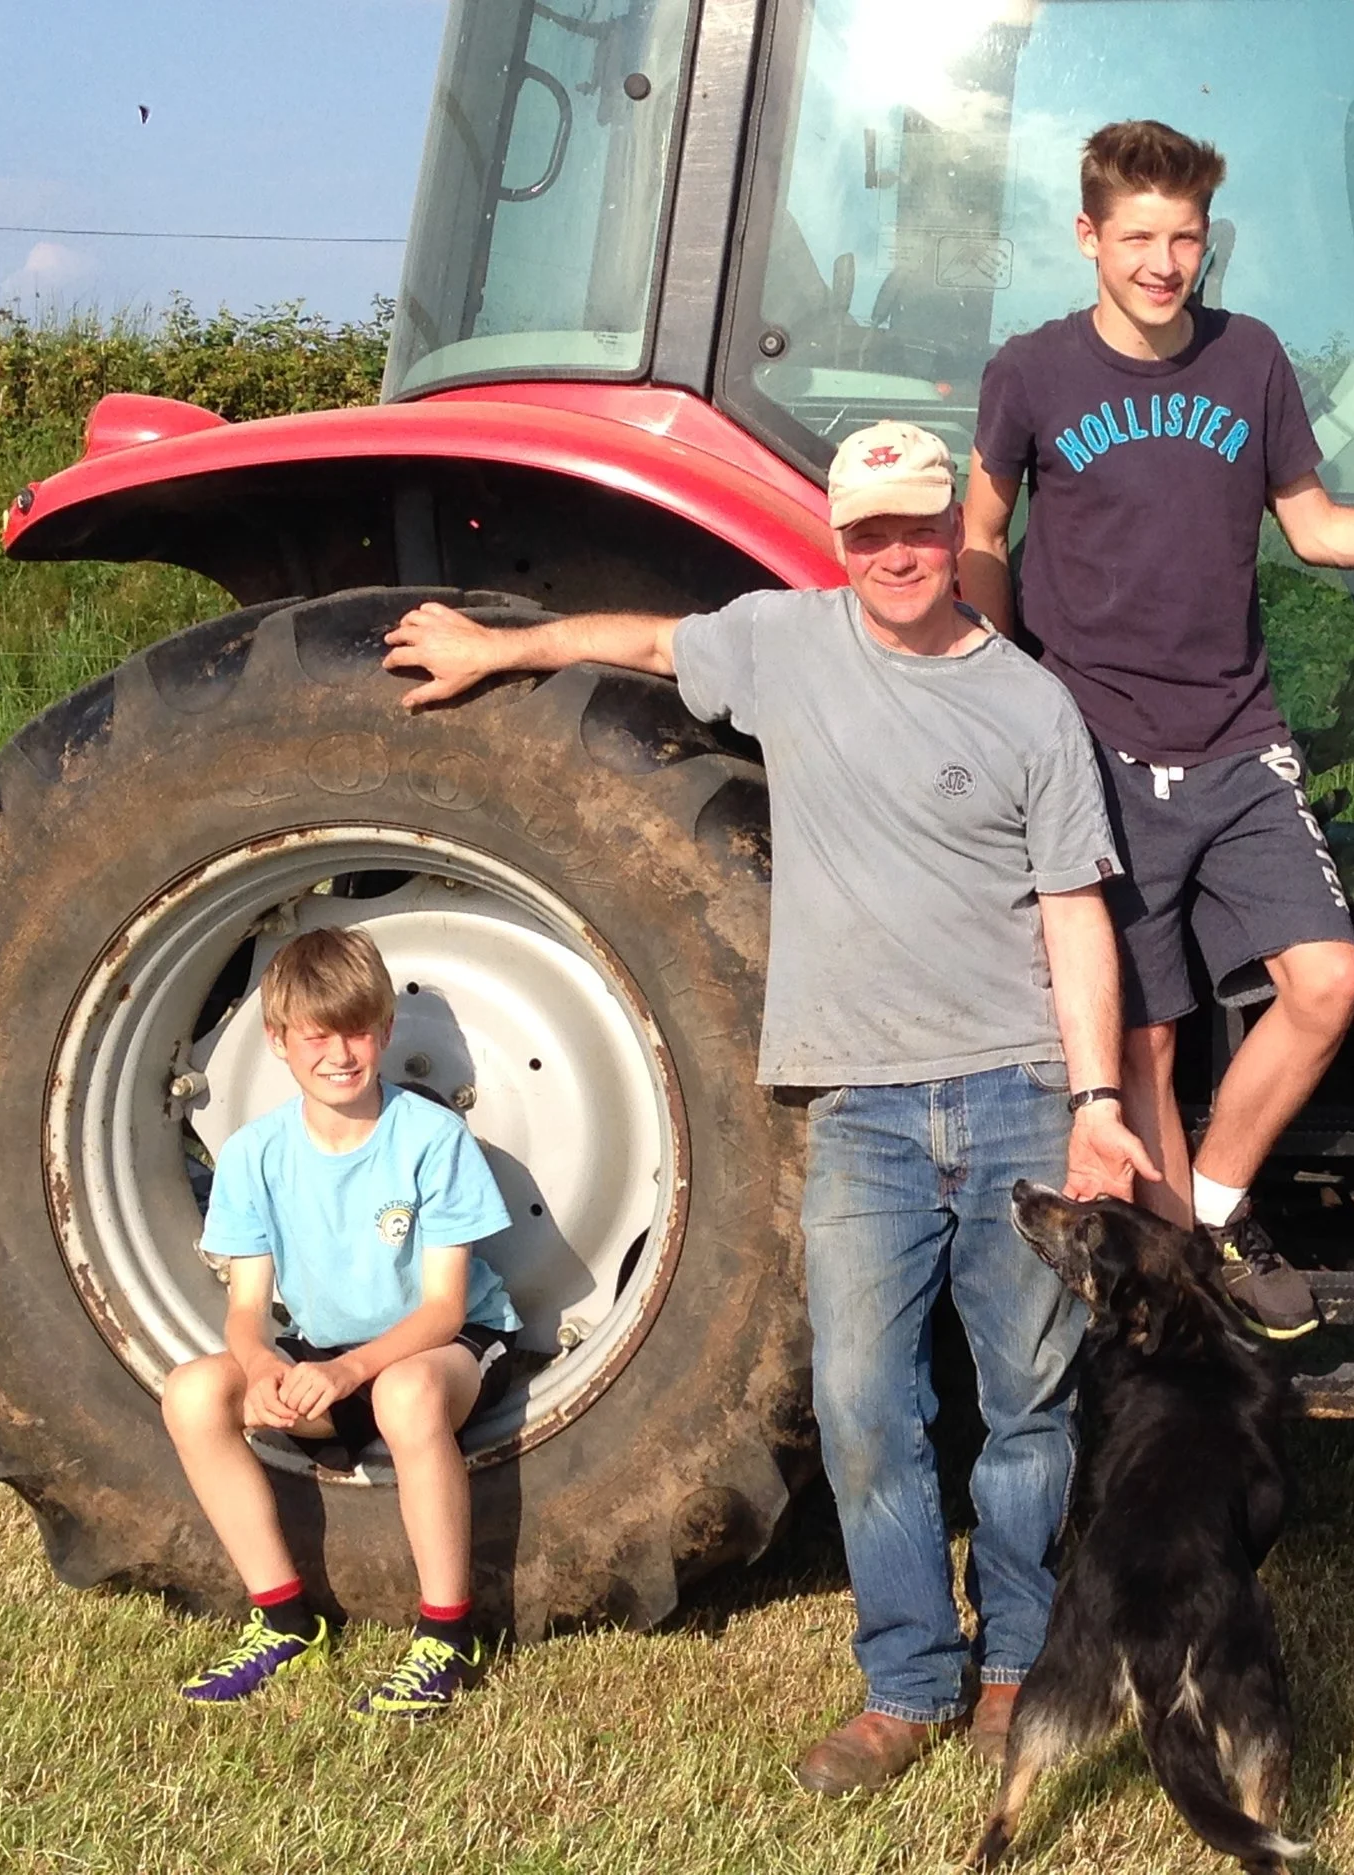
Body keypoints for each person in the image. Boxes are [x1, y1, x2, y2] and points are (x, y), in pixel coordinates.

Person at [384, 419, 1156, 1796]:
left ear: (955, 538)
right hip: (858, 1102)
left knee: (1030, 1399)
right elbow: (642, 639)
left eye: (920, 527)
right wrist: (503, 649)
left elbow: (1075, 913)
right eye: (869, 533)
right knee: (865, 1401)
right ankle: (907, 1678)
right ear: (840, 540)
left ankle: (1017, 1664)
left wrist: (1098, 1099)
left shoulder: (1030, 705)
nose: (896, 553)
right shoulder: (784, 641)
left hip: (1021, 1088)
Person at [961, 119, 1354, 1338]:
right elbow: (979, 535)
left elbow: (1319, 526)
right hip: (1098, 748)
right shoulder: (1031, 371)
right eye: (1137, 239)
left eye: (1183, 238)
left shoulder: (1251, 361)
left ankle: (1216, 1213)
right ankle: (1177, 1283)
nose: (1163, 263)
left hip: (1236, 737)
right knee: (1150, 1042)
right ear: (1088, 238)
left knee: (1327, 979)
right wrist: (1007, 680)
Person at [162, 926, 521, 1720]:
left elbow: (443, 1307)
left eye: (357, 1030)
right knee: (192, 1392)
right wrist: (260, 1370)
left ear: (387, 1030)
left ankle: (446, 1636)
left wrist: (346, 1372)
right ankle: (284, 1616)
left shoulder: (431, 1138)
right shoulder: (254, 1154)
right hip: (324, 1347)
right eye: (315, 1035)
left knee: (404, 1396)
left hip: (441, 1347)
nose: (339, 1053)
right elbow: (248, 1309)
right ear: (278, 1041)